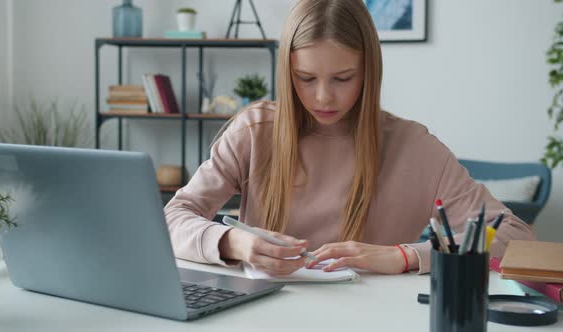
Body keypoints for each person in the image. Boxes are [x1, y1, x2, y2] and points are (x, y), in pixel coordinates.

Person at [164, 0, 535, 276]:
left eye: (343, 78)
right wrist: (233, 242)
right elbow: (173, 218)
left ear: (368, 71)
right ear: (286, 71)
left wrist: (407, 256)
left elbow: (517, 239)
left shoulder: (414, 147)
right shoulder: (254, 131)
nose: (323, 97)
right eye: (305, 78)